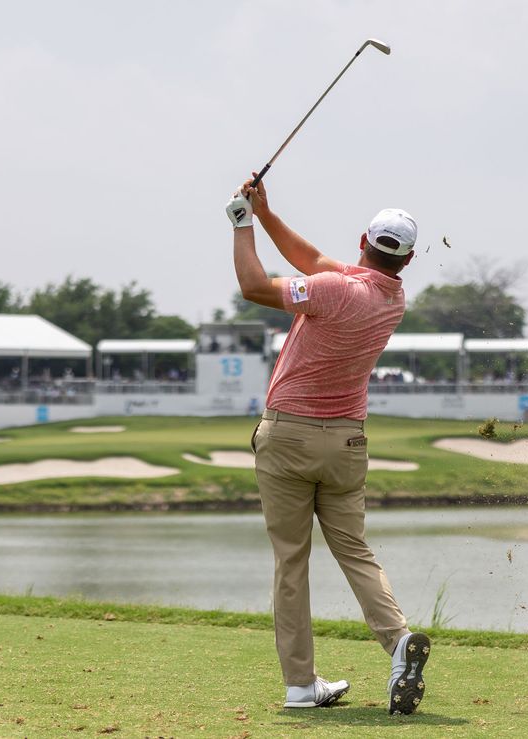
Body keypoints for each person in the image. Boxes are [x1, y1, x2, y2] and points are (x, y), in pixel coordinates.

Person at [226, 177, 430, 715]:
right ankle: (397, 639)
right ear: (406, 261)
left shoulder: (336, 291)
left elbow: (254, 286)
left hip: (289, 436)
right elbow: (313, 258)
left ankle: (300, 685)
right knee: (354, 550)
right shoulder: (391, 298)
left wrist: (241, 222)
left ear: (363, 240)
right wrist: (267, 213)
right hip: (346, 443)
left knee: (292, 562)